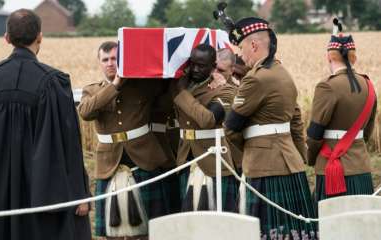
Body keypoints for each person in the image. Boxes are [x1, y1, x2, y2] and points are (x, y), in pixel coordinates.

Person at [0, 9, 90, 240]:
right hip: (42, 198)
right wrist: (80, 193)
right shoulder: (54, 83)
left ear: (7, 38)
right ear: (40, 37)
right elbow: (68, 143)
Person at [224, 17, 317, 239]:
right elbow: (296, 119)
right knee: (295, 232)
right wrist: (300, 154)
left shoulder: (256, 79)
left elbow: (231, 127)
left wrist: (243, 157)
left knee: (265, 232)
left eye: (241, 47)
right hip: (290, 162)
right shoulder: (282, 72)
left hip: (263, 166)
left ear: (254, 45)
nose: (240, 54)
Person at [78, 42, 171, 240]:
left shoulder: (142, 85)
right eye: (105, 59)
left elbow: (168, 89)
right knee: (113, 231)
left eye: (114, 58)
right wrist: (115, 86)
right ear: (99, 63)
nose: (110, 63)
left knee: (151, 228)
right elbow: (86, 113)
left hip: (145, 159)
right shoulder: (92, 90)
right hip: (109, 164)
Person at [306, 19, 377, 202]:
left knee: (331, 225)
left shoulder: (327, 86)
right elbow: (367, 131)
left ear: (329, 57)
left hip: (332, 170)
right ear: (354, 57)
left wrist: (311, 159)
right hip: (360, 166)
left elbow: (315, 133)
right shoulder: (368, 85)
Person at [172, 44, 238, 213]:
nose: (195, 69)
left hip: (213, 160)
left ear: (213, 66)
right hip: (186, 157)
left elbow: (208, 120)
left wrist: (181, 92)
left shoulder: (225, 90)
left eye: (201, 65)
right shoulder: (182, 85)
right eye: (192, 63)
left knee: (219, 221)